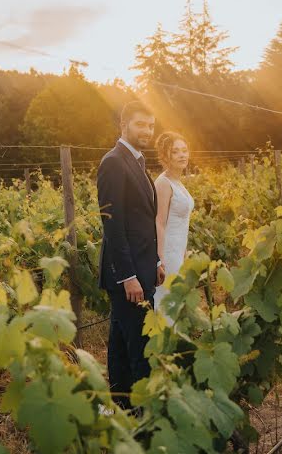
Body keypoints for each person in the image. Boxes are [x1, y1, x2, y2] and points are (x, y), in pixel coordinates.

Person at [96, 101, 164, 410]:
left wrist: (157, 262)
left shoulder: (137, 161)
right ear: (124, 126)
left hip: (143, 268)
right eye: (141, 125)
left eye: (151, 126)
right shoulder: (113, 162)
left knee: (121, 346)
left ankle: (120, 409)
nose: (147, 131)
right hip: (128, 275)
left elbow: (142, 220)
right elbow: (113, 223)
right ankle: (141, 415)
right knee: (139, 349)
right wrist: (128, 276)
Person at [152, 131, 194, 323]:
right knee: (167, 306)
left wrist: (184, 252)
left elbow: (182, 223)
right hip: (167, 254)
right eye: (175, 151)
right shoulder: (163, 183)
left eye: (184, 150)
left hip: (178, 252)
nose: (182, 155)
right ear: (165, 155)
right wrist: (160, 259)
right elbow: (159, 222)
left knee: (176, 305)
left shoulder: (178, 182)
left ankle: (174, 348)